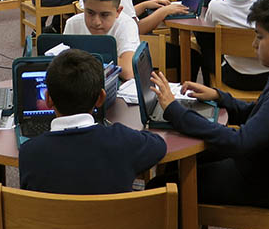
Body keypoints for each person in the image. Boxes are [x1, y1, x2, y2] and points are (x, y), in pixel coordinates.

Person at [149, 0, 269, 208]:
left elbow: (239, 143)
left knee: (160, 186)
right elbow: (259, 115)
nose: (254, 44)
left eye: (260, 37)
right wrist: (220, 97)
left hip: (268, 184)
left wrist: (174, 111)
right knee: (181, 163)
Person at [19, 49, 166, 194]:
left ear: (48, 99)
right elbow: (159, 146)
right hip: (113, 218)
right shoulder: (123, 141)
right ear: (101, 98)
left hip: (52, 219)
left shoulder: (29, 153)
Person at [203, 0, 269, 91]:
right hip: (268, 76)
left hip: (234, 77)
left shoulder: (215, 7)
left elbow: (207, 29)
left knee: (205, 42)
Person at [64, 0, 140, 80]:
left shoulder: (126, 25)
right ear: (84, 7)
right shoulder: (72, 24)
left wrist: (88, 51)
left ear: (118, 11)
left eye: (104, 15)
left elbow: (128, 72)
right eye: (90, 13)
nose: (96, 22)